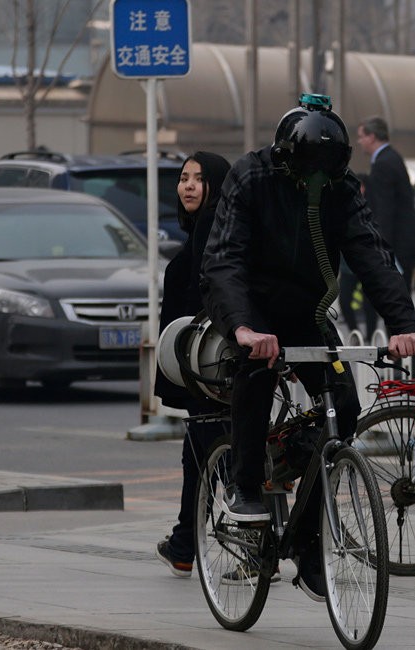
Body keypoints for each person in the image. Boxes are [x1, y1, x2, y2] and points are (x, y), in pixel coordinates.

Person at [200, 96, 415, 600]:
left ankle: (306, 537)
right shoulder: (251, 177)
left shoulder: (341, 190)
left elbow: (369, 251)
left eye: (327, 174)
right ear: (285, 158)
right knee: (256, 372)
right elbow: (225, 257)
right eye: (308, 175)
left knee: (343, 403)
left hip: (305, 311)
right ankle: (244, 486)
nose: (316, 185)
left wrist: (404, 323)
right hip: (248, 306)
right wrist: (241, 327)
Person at [153, 151, 233, 579]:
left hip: (210, 364)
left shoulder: (211, 227)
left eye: (198, 179)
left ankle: (242, 545)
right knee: (202, 451)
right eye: (184, 178)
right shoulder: (205, 226)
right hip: (203, 361)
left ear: (216, 185)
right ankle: (185, 542)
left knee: (214, 451)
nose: (187, 186)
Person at [356, 116, 415, 292]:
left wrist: (382, 250)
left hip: (398, 245)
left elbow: (384, 211)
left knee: (397, 303)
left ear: (371, 137)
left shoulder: (383, 164)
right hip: (406, 241)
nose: (359, 142)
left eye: (361, 137)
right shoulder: (392, 157)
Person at [337, 173, 380, 339]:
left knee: (370, 303)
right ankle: (356, 334)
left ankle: (369, 337)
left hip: (368, 264)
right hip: (348, 265)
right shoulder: (343, 205)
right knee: (344, 301)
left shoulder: (372, 207)